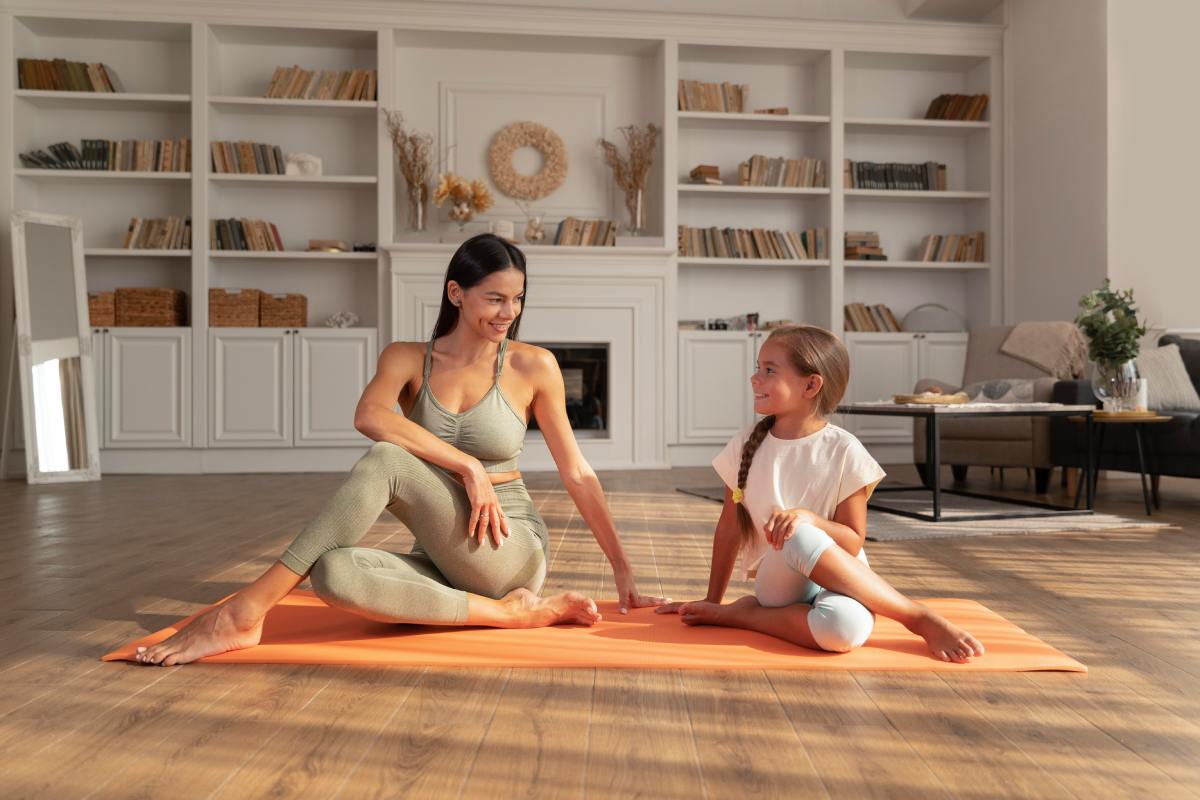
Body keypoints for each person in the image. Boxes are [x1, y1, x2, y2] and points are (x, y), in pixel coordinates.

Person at [137, 234, 666, 666]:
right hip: (436, 554)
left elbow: (576, 472)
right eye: (495, 298)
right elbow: (369, 416)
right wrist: (465, 466)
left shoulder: (534, 366)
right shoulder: (409, 358)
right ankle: (511, 615)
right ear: (457, 293)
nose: (510, 312)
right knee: (332, 573)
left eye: (518, 297)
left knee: (390, 460)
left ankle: (244, 611)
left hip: (507, 544)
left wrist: (624, 569)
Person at [656, 324, 984, 663]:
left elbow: (853, 542)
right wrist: (713, 601)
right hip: (781, 581)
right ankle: (918, 617)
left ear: (811, 385)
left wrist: (810, 518)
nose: (755, 378)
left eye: (769, 370)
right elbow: (728, 530)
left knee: (841, 633)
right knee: (795, 534)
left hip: (842, 577)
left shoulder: (845, 450)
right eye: (758, 367)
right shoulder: (744, 445)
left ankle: (744, 615)